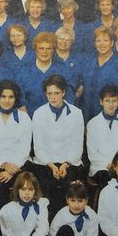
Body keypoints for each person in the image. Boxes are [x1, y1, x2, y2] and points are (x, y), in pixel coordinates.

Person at [31, 75, 86, 213]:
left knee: (69, 189)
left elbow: (77, 146)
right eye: (49, 93)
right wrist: (51, 165)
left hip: (70, 163)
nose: (53, 97)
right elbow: (38, 147)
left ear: (64, 92)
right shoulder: (38, 113)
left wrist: (65, 164)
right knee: (47, 189)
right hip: (45, 163)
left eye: (56, 93)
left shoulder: (76, 113)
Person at [0, 80, 32, 213]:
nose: (7, 100)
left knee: (24, 185)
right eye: (3, 96)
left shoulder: (24, 118)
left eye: (11, 97)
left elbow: (24, 148)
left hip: (19, 164)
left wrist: (11, 170)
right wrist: (4, 165)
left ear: (16, 98)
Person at [86, 85, 118, 189]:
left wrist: (116, 165)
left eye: (114, 101)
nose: (111, 104)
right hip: (100, 166)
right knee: (106, 179)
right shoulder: (92, 124)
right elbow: (92, 153)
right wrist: (108, 164)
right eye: (107, 101)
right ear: (101, 102)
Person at [80, 26, 118, 120]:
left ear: (112, 43)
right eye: (98, 41)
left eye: (105, 40)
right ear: (95, 43)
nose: (102, 44)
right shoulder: (89, 61)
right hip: (88, 111)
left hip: (110, 112)